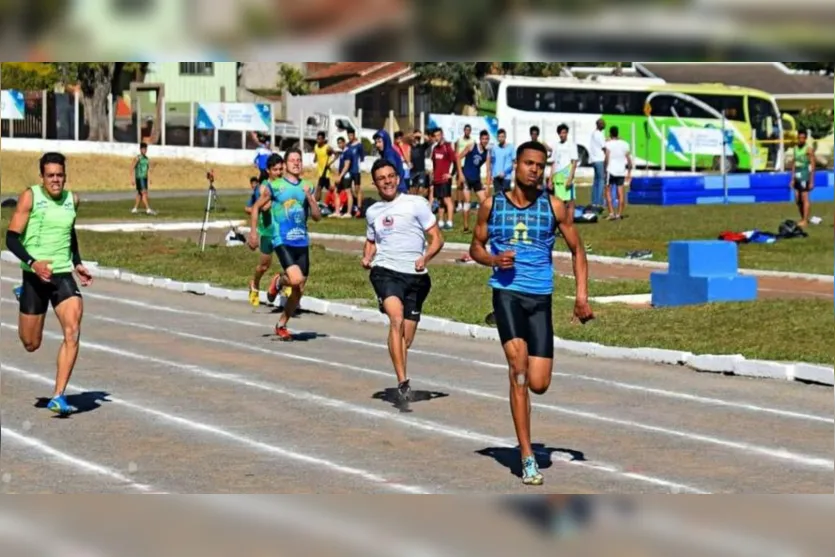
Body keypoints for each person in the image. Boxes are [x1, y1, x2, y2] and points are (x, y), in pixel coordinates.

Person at [469, 141, 593, 486]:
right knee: (518, 371)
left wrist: (581, 296)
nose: (534, 170)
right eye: (528, 163)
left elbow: (578, 250)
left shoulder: (554, 207)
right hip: (507, 294)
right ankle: (526, 456)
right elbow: (475, 247)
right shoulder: (492, 205)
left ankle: (527, 446)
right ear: (516, 167)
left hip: (540, 299)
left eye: (540, 164)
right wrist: (493, 260)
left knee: (539, 383)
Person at [4, 152, 94, 416]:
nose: (56, 180)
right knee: (31, 344)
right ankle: (24, 296)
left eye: (60, 175)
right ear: (42, 177)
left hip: (62, 273)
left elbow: (69, 232)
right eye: (50, 175)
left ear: (65, 175)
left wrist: (77, 262)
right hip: (34, 275)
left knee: (73, 329)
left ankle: (58, 395)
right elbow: (10, 239)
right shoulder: (30, 197)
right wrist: (33, 263)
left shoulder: (72, 200)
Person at [362, 159, 444, 402]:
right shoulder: (372, 212)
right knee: (395, 319)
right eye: (381, 178)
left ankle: (401, 371)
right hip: (385, 271)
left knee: (405, 340)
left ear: (397, 178)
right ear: (375, 183)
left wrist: (426, 257)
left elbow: (438, 239)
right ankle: (402, 382)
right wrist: (367, 257)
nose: (386, 181)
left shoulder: (416, 204)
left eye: (390, 176)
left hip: (416, 277)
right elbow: (371, 241)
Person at [249, 148, 322, 341]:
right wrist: (253, 233)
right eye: (292, 160)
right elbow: (256, 206)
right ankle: (279, 281)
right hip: (281, 239)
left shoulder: (307, 186)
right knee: (295, 280)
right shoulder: (275, 186)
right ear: (286, 164)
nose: (296, 163)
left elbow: (316, 217)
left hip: (301, 240)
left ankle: (281, 324)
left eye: (299, 160)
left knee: (299, 289)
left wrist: (310, 198)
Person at [245, 156, 282, 306]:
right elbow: (264, 207)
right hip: (267, 230)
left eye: (281, 169)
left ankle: (281, 284)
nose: (279, 173)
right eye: (275, 170)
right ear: (268, 171)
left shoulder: (286, 184)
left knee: (291, 263)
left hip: (284, 231)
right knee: (264, 265)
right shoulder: (263, 187)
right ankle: (255, 283)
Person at [458, 130, 492, 232]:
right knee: (467, 203)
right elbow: (458, 157)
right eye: (483, 139)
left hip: (476, 179)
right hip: (467, 179)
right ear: (480, 139)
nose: (485, 141)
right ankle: (466, 227)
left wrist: (488, 186)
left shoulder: (487, 153)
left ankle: (482, 225)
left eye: (486, 139)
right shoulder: (472, 146)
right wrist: (460, 174)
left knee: (485, 202)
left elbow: (488, 170)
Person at [429, 127, 460, 230]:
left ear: (442, 135)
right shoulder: (435, 149)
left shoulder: (447, 147)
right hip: (437, 179)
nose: (437, 137)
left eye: (438, 135)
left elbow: (455, 162)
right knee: (439, 201)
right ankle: (441, 222)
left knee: (447, 200)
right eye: (435, 136)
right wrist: (433, 174)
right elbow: (434, 163)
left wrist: (451, 174)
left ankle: (450, 222)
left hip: (445, 179)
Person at [604, 126, 632, 220]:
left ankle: (611, 213)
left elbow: (607, 157)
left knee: (608, 192)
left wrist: (605, 167)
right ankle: (619, 214)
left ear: (610, 133)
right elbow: (629, 160)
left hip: (610, 170)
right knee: (620, 193)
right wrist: (629, 172)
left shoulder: (608, 144)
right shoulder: (625, 144)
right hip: (621, 171)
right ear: (618, 133)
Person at [551, 124, 579, 215]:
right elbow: (553, 162)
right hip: (558, 177)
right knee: (559, 202)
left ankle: (570, 221)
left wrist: (570, 178)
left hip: (567, 177)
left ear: (567, 133)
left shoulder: (571, 145)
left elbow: (574, 162)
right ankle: (561, 220)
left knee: (570, 201)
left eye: (564, 132)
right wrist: (551, 179)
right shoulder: (556, 145)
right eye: (560, 133)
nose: (562, 134)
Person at [790, 130, 815, 227]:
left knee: (805, 198)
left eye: (803, 138)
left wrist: (812, 180)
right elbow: (794, 164)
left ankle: (805, 220)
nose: (801, 140)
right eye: (799, 138)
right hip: (797, 176)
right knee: (797, 200)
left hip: (805, 175)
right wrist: (792, 178)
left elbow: (813, 164)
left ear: (805, 139)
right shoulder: (795, 148)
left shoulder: (808, 149)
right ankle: (803, 218)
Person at [454, 124, 476, 212]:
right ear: (464, 130)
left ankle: (466, 204)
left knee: (467, 186)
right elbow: (456, 154)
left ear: (470, 131)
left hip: (468, 166)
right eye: (466, 130)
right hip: (460, 165)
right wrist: (456, 165)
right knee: (459, 185)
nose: (467, 131)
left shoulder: (473, 141)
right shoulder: (459, 140)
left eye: (469, 130)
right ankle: (459, 204)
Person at [131, 142, 157, 215]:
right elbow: (132, 168)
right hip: (139, 178)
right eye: (143, 149)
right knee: (144, 193)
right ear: (140, 149)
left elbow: (148, 169)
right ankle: (148, 209)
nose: (144, 150)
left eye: (145, 149)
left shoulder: (147, 159)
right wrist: (132, 179)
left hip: (144, 178)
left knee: (140, 194)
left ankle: (135, 208)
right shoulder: (137, 158)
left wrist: (150, 179)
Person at [332, 136, 355, 218]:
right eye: (338, 143)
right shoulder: (342, 152)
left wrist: (340, 176)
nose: (339, 144)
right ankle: (337, 212)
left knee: (348, 192)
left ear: (344, 142)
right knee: (336, 192)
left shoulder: (348, 152)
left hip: (347, 175)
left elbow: (346, 166)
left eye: (341, 142)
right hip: (341, 175)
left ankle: (349, 213)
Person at [490, 128, 515, 193]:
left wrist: (505, 172)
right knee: (498, 197)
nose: (501, 138)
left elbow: (514, 164)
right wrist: (492, 175)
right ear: (497, 137)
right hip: (496, 177)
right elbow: (492, 163)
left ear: (505, 137)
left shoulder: (511, 147)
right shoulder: (494, 148)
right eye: (499, 137)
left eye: (502, 136)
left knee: (506, 196)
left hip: (506, 177)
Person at [588, 119, 607, 208]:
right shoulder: (600, 134)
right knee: (601, 181)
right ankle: (599, 202)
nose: (603, 125)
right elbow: (604, 147)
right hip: (599, 159)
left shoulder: (594, 133)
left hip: (593, 159)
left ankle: (594, 201)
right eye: (602, 124)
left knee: (596, 181)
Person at [313, 131, 336, 202]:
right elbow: (316, 156)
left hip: (325, 172)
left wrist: (330, 163)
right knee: (328, 187)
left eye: (320, 139)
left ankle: (317, 203)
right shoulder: (316, 146)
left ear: (323, 140)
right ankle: (338, 191)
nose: (318, 140)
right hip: (320, 171)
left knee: (319, 188)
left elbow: (337, 155)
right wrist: (315, 159)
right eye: (317, 138)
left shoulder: (327, 147)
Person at [409, 129, 432, 197]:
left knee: (421, 189)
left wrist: (420, 135)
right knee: (412, 190)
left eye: (418, 138)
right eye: (416, 137)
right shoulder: (410, 146)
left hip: (421, 170)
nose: (417, 138)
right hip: (412, 171)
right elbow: (405, 138)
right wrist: (413, 135)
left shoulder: (422, 146)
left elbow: (429, 140)